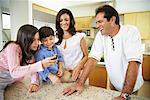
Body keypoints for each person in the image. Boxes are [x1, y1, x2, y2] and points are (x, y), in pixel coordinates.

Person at [62, 5, 144, 100]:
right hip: (114, 84)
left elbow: (134, 63)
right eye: (96, 22)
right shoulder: (101, 36)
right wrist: (80, 83)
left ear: (112, 20)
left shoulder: (130, 31)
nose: (97, 26)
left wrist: (124, 95)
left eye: (100, 22)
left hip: (130, 88)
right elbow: (92, 59)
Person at [0, 24, 57, 100]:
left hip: (7, 82)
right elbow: (14, 72)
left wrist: (34, 82)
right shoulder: (13, 47)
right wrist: (41, 64)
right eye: (33, 40)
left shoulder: (29, 52)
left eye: (38, 39)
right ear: (25, 39)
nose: (37, 43)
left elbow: (33, 69)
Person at [56, 8, 88, 82]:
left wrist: (78, 67)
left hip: (78, 74)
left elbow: (86, 56)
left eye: (66, 20)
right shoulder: (56, 40)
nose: (64, 22)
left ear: (71, 21)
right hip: (63, 76)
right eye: (61, 20)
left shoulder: (80, 36)